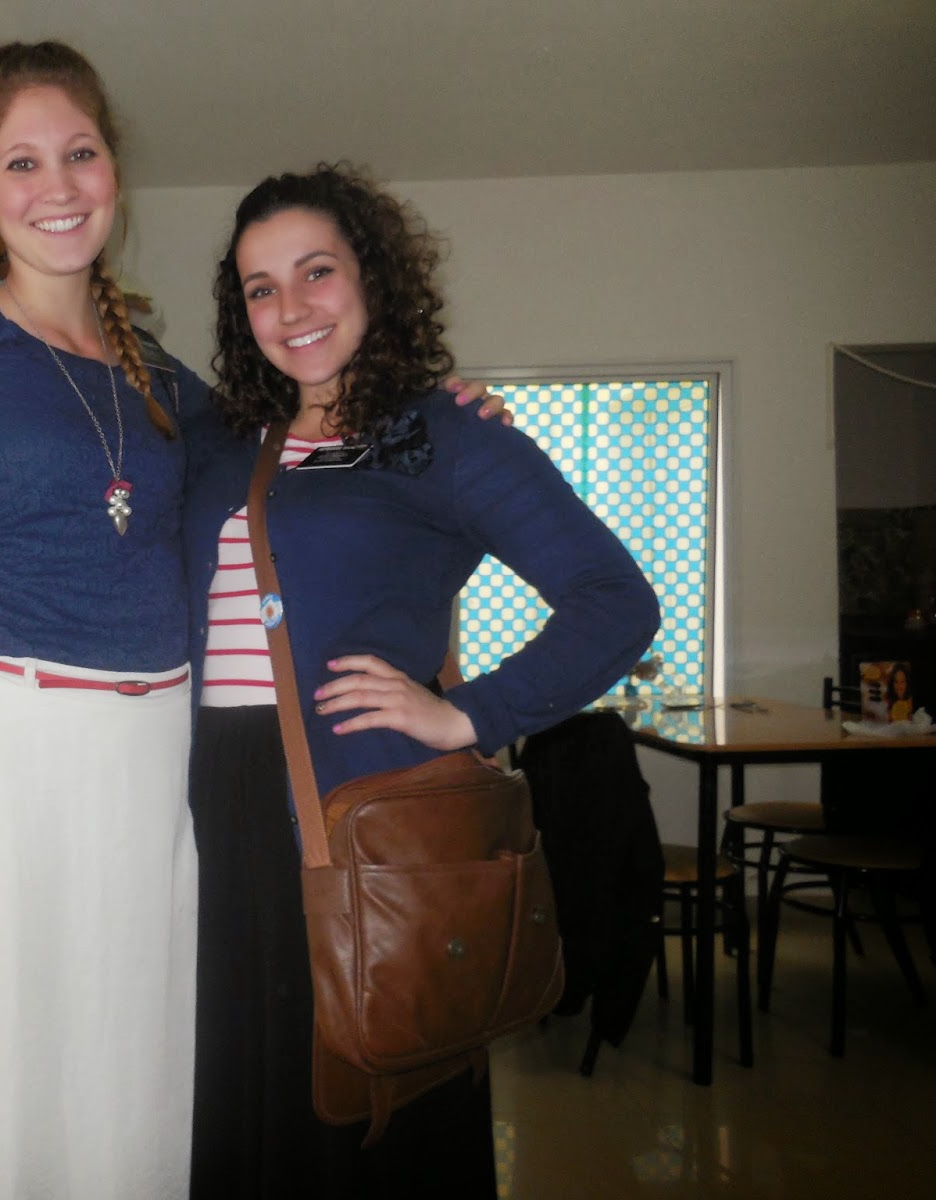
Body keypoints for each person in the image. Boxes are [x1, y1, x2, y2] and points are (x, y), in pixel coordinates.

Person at [0, 40, 507, 1199]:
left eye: (79, 153)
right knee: (3, 1088)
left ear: (113, 168)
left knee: (128, 1082)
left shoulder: (170, 385)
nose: (56, 187)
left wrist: (435, 413)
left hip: (154, 765)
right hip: (2, 761)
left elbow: (305, 449)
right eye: (21, 163)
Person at [181, 164, 660, 1197]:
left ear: (372, 277)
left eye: (316, 272)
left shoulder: (438, 433)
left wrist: (466, 713)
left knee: (372, 1094)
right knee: (246, 1095)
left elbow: (615, 600)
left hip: (361, 813)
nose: (291, 308)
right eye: (261, 288)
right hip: (217, 812)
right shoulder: (220, 440)